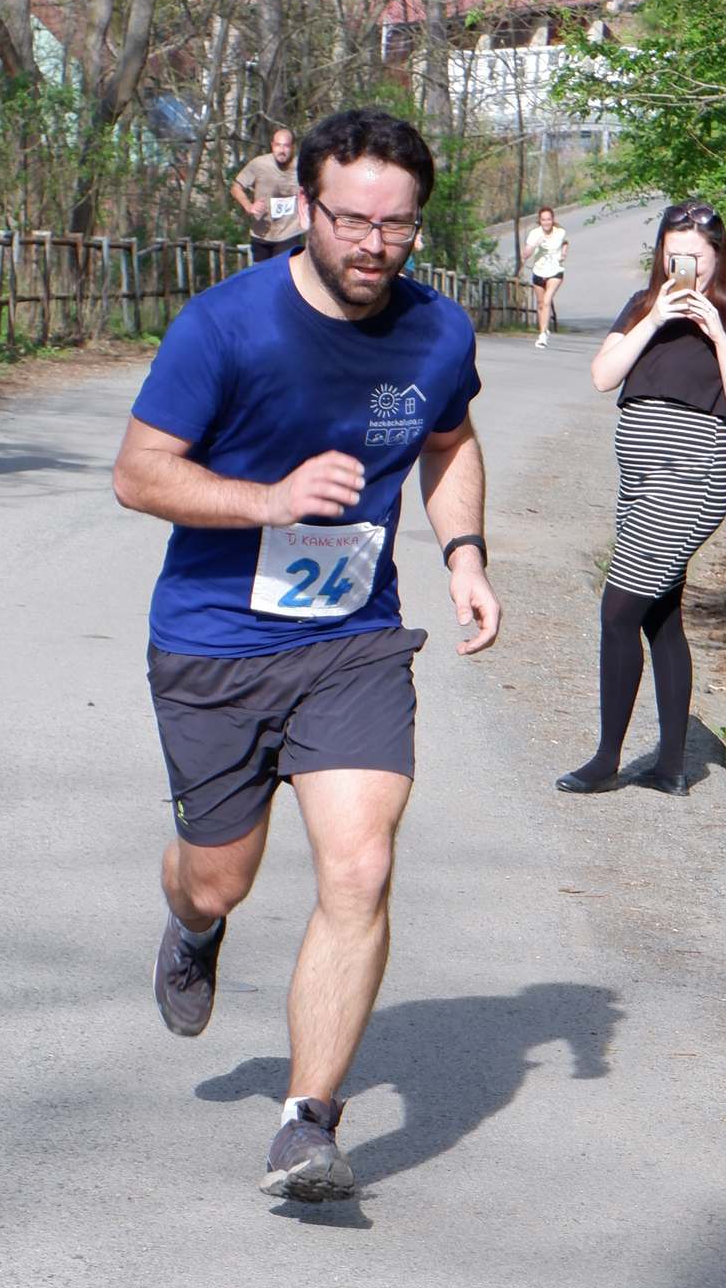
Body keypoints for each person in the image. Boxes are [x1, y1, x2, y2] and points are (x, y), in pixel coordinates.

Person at [113, 105, 501, 1206]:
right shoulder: (225, 325)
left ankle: (306, 1123)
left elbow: (449, 440)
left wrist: (464, 554)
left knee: (359, 863)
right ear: (307, 209)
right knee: (220, 873)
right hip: (215, 642)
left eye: (396, 225)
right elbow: (138, 473)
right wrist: (267, 500)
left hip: (351, 639)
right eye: (351, 221)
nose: (373, 245)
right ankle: (192, 922)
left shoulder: (438, 333)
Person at [557, 198, 726, 802]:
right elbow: (603, 375)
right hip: (640, 482)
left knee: (617, 612)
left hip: (688, 482)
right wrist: (653, 320)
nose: (686, 268)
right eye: (675, 256)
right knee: (660, 616)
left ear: (718, 257)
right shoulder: (642, 305)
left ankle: (606, 761)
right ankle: (673, 766)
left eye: (697, 258)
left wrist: (714, 331)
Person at [229, 122, 305, 265]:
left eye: (286, 146)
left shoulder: (302, 167)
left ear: (293, 147)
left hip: (290, 232)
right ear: (272, 146)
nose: (282, 150)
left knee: (282, 272)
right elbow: (235, 188)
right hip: (262, 233)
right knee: (263, 274)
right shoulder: (259, 164)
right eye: (278, 145)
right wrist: (249, 206)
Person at [521, 204, 568, 347]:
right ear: (539, 221)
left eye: (548, 219)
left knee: (547, 301)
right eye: (543, 220)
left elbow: (565, 242)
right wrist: (535, 244)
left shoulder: (560, 232)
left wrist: (563, 253)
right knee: (541, 303)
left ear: (552, 220)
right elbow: (525, 255)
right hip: (538, 272)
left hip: (555, 272)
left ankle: (542, 337)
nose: (546, 222)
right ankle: (544, 328)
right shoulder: (535, 234)